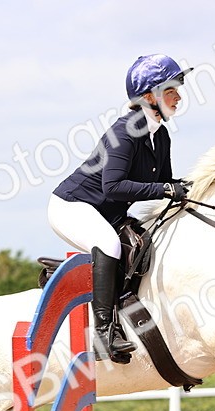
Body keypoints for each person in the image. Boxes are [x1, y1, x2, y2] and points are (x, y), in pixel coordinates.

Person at [48, 53, 194, 363]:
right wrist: (167, 189)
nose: (178, 96)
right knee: (109, 243)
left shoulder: (161, 135)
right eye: (171, 90)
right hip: (73, 206)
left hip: (108, 212)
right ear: (148, 97)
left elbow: (165, 182)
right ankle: (104, 334)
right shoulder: (125, 132)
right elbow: (112, 187)